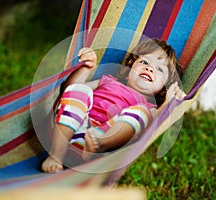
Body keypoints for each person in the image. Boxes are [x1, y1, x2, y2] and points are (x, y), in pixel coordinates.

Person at [42, 38, 186, 173]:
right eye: (144, 62)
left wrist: (168, 103)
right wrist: (86, 68)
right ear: (130, 69)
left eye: (160, 70)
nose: (149, 69)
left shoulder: (149, 107)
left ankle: (98, 145)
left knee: (142, 113)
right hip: (68, 130)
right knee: (81, 89)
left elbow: (156, 124)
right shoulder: (108, 81)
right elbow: (69, 90)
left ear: (164, 87)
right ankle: (56, 156)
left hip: (103, 146)